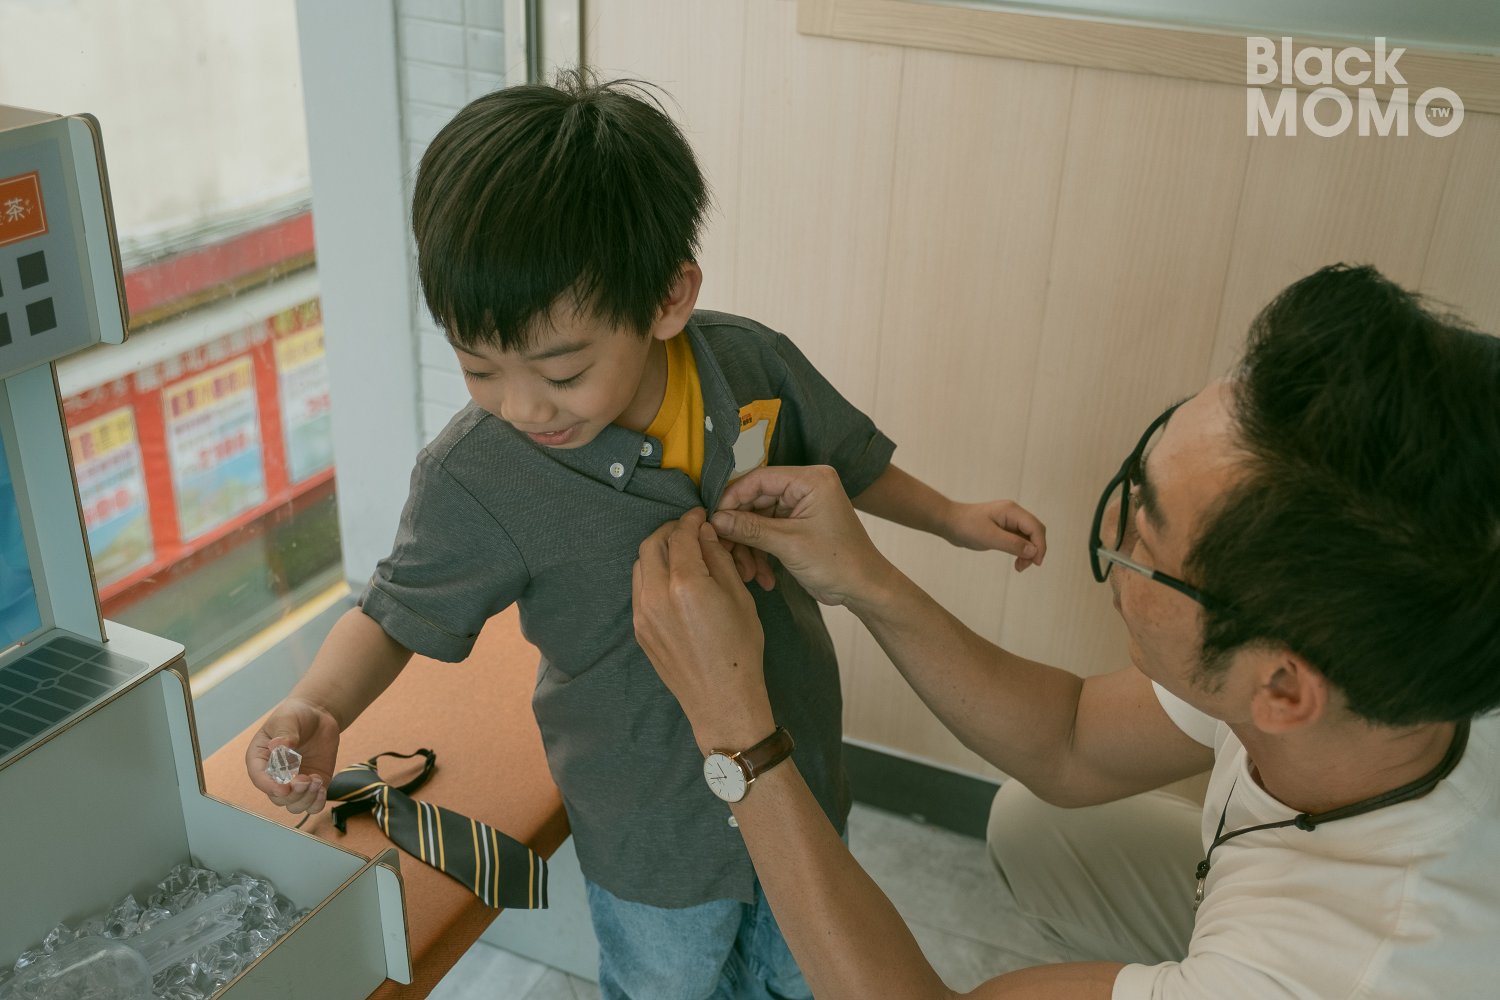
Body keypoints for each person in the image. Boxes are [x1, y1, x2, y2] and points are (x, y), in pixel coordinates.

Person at [242, 71, 1047, 1000]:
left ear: (668, 298)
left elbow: (845, 464)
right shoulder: (478, 473)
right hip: (647, 831)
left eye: (562, 368)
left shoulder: (749, 362)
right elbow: (393, 613)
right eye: (479, 369)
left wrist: (950, 518)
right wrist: (319, 703)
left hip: (802, 773)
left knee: (808, 975)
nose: (522, 405)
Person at [633, 264, 1500, 999]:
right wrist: (866, 579)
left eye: (1144, 540)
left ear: (1282, 689)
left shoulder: (1332, 969)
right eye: (1136, 480)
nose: (1116, 527)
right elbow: (1073, 739)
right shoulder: (1404, 645)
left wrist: (735, 734)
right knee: (1036, 826)